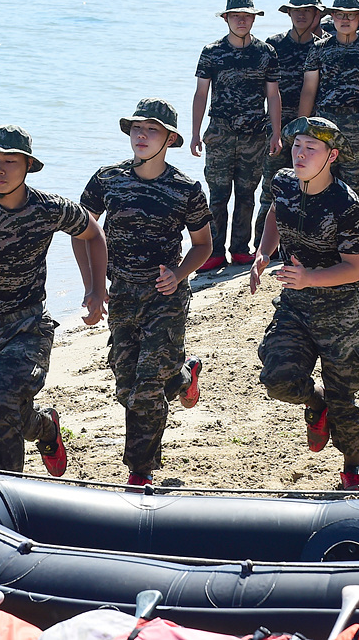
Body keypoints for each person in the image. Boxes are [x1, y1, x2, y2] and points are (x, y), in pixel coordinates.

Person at [0, 125, 108, 475]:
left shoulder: (47, 207)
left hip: (29, 325)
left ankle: (4, 490)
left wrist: (96, 290)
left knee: (0, 406)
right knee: (7, 413)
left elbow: (93, 233)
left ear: (27, 165)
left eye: (9, 161)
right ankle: (46, 428)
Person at [81, 99, 212, 488]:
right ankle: (184, 374)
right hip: (121, 292)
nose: (141, 135)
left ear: (170, 139)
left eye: (151, 129)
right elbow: (83, 230)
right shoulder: (106, 179)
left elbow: (203, 245)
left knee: (147, 387)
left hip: (165, 295)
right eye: (137, 128)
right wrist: (93, 285)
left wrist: (179, 273)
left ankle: (140, 471)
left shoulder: (186, 188)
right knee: (127, 383)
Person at [249, 117, 359, 491]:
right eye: (297, 146)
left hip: (340, 312)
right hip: (296, 305)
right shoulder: (285, 181)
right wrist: (263, 252)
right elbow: (275, 212)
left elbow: (354, 269)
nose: (300, 155)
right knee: (278, 378)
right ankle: (314, 404)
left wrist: (308, 278)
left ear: (331, 155)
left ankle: (353, 465)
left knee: (343, 397)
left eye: (311, 149)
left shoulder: (348, 207)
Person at [191, 0, 282, 271]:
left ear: (254, 19)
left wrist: (276, 133)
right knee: (217, 195)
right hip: (219, 132)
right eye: (235, 16)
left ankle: (240, 249)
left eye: (246, 16)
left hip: (255, 134)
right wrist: (195, 133)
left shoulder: (265, 53)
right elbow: (201, 93)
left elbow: (273, 95)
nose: (241, 20)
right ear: (226, 19)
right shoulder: (212, 51)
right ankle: (214, 251)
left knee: (246, 193)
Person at [299, 0, 359, 204]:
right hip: (324, 127)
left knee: (355, 191)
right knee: (319, 185)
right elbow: (309, 90)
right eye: (339, 15)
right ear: (332, 17)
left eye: (350, 15)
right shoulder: (319, 49)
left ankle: (354, 237)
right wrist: (302, 128)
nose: (345, 20)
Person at [257, 0, 324, 247]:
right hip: (277, 127)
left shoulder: (324, 46)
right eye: (296, 10)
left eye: (307, 10)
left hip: (313, 129)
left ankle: (305, 242)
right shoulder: (273, 45)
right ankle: (262, 246)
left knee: (311, 186)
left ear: (317, 14)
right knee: (271, 187)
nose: (300, 15)